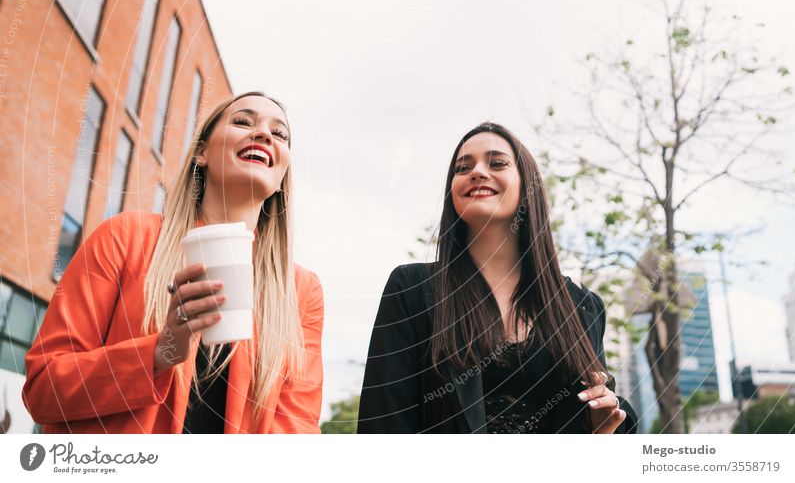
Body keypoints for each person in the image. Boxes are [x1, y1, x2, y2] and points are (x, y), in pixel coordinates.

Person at [23, 92, 324, 433]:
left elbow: (296, 433)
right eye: (243, 122)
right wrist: (160, 351)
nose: (265, 135)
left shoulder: (301, 292)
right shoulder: (124, 238)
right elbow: (43, 390)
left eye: (280, 134)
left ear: (282, 173)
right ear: (202, 153)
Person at [358, 122, 638, 434]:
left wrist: (601, 425)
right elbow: (382, 424)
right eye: (462, 167)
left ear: (527, 185)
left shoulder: (583, 306)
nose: (477, 172)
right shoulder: (412, 289)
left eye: (497, 163)